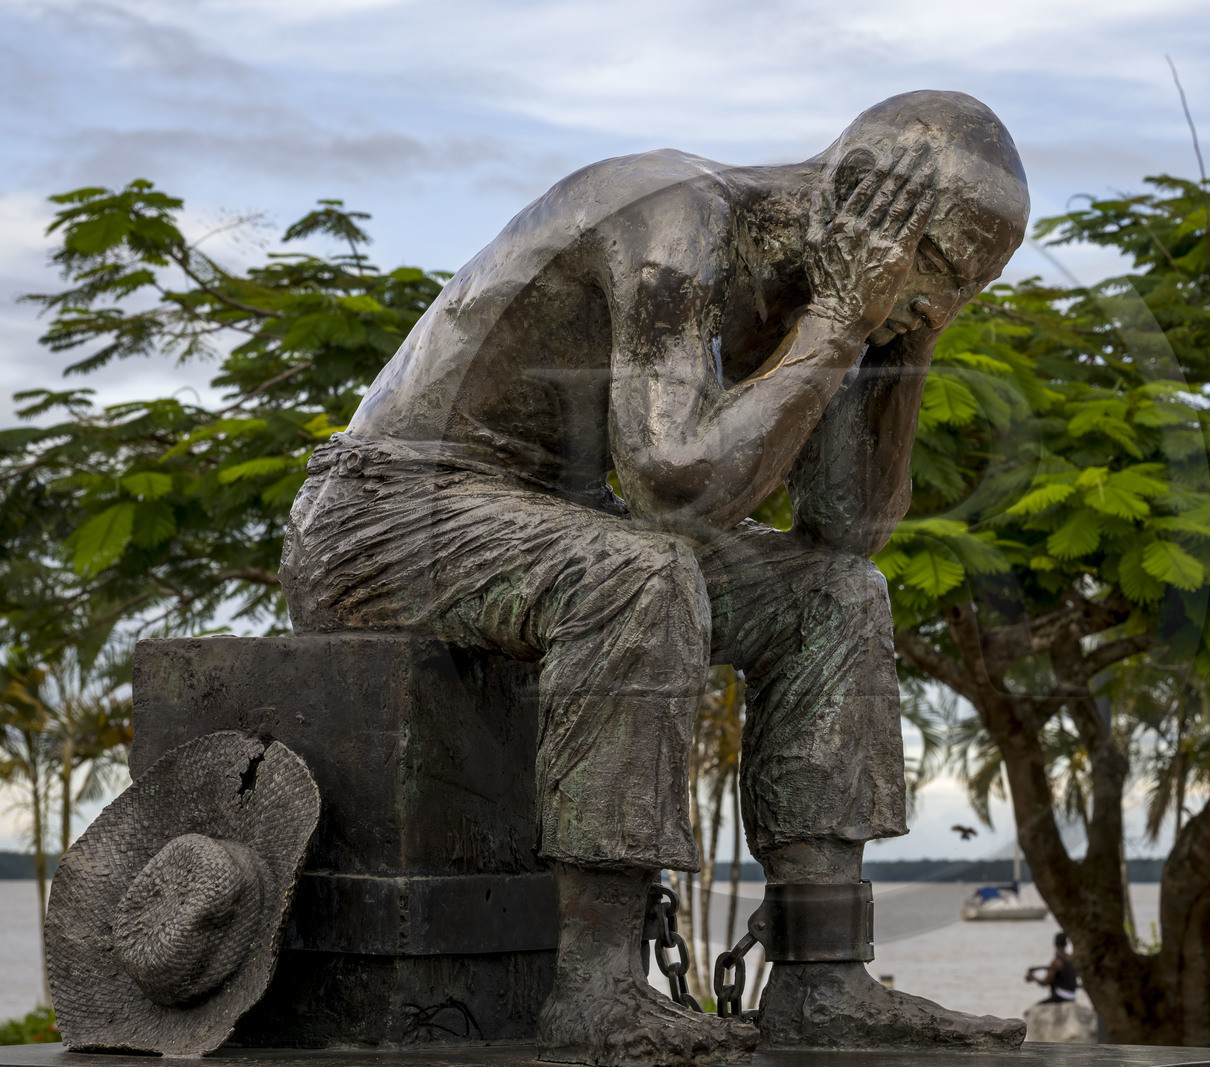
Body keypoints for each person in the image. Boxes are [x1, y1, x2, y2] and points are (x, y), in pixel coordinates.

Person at [280, 90, 1030, 1064]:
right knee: (643, 572)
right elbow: (674, 484)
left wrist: (903, 341)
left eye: (970, 288)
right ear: (857, 194)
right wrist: (844, 318)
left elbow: (844, 532)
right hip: (381, 517)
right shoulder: (672, 216)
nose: (942, 299)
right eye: (937, 265)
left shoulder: (841, 299)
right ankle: (596, 988)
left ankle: (824, 980)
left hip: (557, 521)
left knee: (835, 598)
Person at [1026, 933, 1079, 1004]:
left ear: (1055, 944)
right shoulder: (1071, 959)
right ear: (1066, 944)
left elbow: (1044, 983)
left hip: (1060, 996)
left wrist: (1033, 978)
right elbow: (1062, 969)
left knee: (1031, 1011)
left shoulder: (1056, 962)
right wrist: (1039, 968)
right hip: (1072, 996)